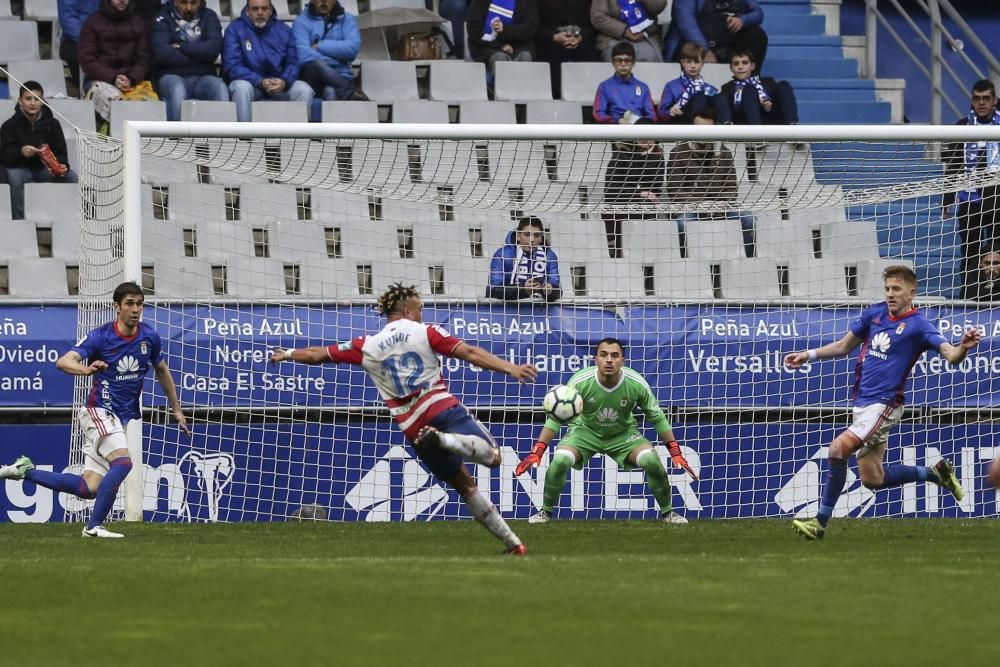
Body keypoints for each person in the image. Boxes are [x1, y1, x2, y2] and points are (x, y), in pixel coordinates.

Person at [268, 282, 538, 555]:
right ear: (408, 310)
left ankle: (513, 544)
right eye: (420, 308)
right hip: (440, 407)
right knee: (493, 457)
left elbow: (317, 354)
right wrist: (510, 368)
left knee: (466, 487)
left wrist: (287, 354)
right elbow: (469, 353)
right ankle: (445, 439)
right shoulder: (425, 331)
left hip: (413, 428)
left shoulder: (366, 345)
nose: (422, 313)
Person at [786, 265, 978, 540]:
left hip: (884, 405)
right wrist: (808, 354)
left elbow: (950, 355)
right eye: (887, 288)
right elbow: (843, 346)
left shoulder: (919, 326)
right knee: (872, 478)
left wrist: (962, 348)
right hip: (862, 404)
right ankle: (935, 473)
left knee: (838, 449)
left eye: (896, 289)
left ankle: (819, 523)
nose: (890, 294)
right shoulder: (874, 313)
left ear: (912, 292)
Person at [0, 282, 189, 538]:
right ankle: (93, 527)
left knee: (88, 487)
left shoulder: (149, 337)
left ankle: (25, 471)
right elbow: (63, 362)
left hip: (118, 417)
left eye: (139, 304)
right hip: (98, 411)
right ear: (117, 307)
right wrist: (86, 369)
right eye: (130, 304)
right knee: (123, 462)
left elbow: (162, 371)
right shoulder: (100, 336)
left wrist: (176, 408)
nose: (136, 309)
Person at [515, 337, 697, 524]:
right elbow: (556, 418)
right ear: (596, 359)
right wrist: (538, 451)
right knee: (560, 459)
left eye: (614, 355)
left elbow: (657, 417)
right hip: (585, 432)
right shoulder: (580, 381)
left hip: (624, 434)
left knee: (651, 460)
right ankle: (545, 512)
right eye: (603, 355)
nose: (609, 360)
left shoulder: (636, 383)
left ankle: (668, 513)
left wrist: (674, 451)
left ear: (622, 361)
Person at [666, 107, 755, 257]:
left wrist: (719, 205)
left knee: (749, 220)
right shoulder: (678, 152)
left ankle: (747, 261)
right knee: (682, 223)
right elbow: (674, 190)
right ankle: (684, 261)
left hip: (721, 208)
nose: (702, 132)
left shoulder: (724, 152)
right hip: (691, 208)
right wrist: (701, 205)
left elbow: (731, 186)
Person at [942, 79, 1000, 299]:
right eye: (977, 98)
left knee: (997, 251)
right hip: (970, 199)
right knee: (969, 251)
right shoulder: (962, 127)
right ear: (971, 101)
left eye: (986, 98)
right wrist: (947, 199)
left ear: (994, 100)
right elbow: (953, 166)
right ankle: (968, 296)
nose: (982, 103)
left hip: (998, 199)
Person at [223, 0, 315, 123]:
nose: (260, 12)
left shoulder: (284, 30)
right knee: (241, 87)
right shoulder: (234, 29)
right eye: (255, 9)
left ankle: (295, 138)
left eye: (264, 8)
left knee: (304, 90)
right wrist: (260, 81)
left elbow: (292, 63)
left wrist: (284, 81)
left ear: (270, 10)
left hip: (279, 84)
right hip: (251, 84)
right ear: (247, 11)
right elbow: (232, 66)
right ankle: (244, 137)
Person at [0, 82, 79, 220]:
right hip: (20, 168)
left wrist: (61, 164)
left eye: (37, 99)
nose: (33, 103)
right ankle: (18, 221)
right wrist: (21, 152)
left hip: (44, 170)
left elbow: (61, 152)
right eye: (28, 98)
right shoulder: (9, 126)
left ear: (42, 102)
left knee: (71, 177)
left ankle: (71, 219)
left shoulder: (53, 124)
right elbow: (5, 156)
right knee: (14, 177)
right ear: (20, 101)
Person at [78, 0, 155, 132]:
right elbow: (87, 59)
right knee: (117, 101)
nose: (121, 0)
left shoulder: (139, 23)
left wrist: (131, 78)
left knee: (151, 104)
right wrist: (113, 78)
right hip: (100, 80)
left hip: (132, 81)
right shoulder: (92, 22)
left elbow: (144, 58)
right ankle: (118, 140)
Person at [151, 0, 229, 122]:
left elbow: (212, 51)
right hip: (172, 76)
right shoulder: (162, 17)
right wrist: (199, 55)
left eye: (194, 3)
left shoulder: (209, 16)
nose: (188, 8)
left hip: (204, 77)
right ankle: (175, 138)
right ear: (175, 2)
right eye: (183, 2)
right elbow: (163, 54)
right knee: (177, 90)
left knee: (220, 87)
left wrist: (180, 46)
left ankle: (223, 138)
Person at [602, 117, 665, 257]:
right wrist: (639, 193)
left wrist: (648, 157)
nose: (644, 138)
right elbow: (611, 190)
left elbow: (654, 191)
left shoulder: (658, 157)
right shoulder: (621, 154)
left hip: (644, 210)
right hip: (619, 208)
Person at [292, 0, 367, 103]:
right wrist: (335, 60)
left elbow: (352, 49)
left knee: (330, 91)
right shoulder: (301, 21)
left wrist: (320, 46)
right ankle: (349, 92)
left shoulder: (348, 20)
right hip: (313, 80)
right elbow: (302, 55)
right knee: (316, 64)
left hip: (341, 76)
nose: (324, 0)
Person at [663, 0, 768, 70]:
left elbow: (758, 13)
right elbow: (686, 23)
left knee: (756, 35)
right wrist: (704, 50)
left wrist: (742, 20)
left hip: (728, 48)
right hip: (694, 46)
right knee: (689, 48)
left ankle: (750, 84)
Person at [487, 216, 562, 302]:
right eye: (527, 235)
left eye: (536, 235)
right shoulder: (502, 254)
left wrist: (549, 290)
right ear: (518, 236)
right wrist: (523, 290)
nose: (532, 240)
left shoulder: (549, 256)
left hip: (539, 312)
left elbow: (558, 290)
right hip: (506, 311)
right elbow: (493, 290)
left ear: (541, 238)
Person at [535, 0, 599, 99]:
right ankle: (555, 101)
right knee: (552, 54)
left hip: (581, 40)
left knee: (590, 54)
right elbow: (534, 24)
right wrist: (553, 36)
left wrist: (581, 37)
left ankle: (588, 104)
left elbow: (592, 23)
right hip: (550, 40)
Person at [719, 48, 798, 127]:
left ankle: (792, 124)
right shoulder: (727, 88)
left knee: (783, 84)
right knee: (749, 90)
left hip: (771, 118)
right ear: (731, 68)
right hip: (744, 121)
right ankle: (756, 131)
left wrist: (768, 103)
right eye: (736, 64)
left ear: (752, 66)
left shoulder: (768, 82)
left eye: (745, 63)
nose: (740, 67)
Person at [658, 41, 729, 124]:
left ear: (702, 63)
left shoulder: (708, 88)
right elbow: (661, 113)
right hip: (680, 122)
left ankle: (727, 125)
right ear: (683, 63)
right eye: (688, 62)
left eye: (697, 62)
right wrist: (670, 111)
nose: (693, 66)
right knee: (700, 95)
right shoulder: (672, 85)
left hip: (704, 125)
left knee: (718, 96)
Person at [467, 0, 538, 77]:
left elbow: (530, 28)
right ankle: (498, 87)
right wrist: (501, 46)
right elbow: (474, 31)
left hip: (518, 46)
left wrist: (505, 30)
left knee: (525, 56)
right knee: (499, 58)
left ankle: (523, 88)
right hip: (488, 46)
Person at [593, 42, 657, 124]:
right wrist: (618, 120)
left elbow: (652, 116)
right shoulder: (605, 86)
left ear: (633, 63)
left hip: (639, 130)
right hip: (615, 130)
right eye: (619, 60)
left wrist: (640, 122)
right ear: (613, 63)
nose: (623, 64)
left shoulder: (643, 87)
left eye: (627, 60)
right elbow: (598, 114)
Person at [591, 0, 667, 63]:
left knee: (648, 56)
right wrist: (625, 31)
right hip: (613, 37)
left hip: (645, 36)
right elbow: (598, 17)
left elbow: (658, 7)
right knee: (619, 59)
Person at [57, 0, 101, 95]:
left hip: (103, 37)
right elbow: (67, 19)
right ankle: (87, 88)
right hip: (74, 39)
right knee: (75, 55)